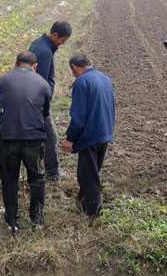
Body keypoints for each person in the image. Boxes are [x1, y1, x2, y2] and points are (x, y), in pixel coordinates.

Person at [0, 51, 51, 233]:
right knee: (36, 179)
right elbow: (45, 113)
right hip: (33, 139)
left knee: (9, 180)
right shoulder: (43, 83)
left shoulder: (2, 81)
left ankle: (12, 220)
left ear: (16, 63)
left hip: (7, 139)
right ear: (35, 66)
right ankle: (36, 220)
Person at [61, 54, 115, 217]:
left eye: (72, 71)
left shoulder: (81, 82)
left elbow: (78, 117)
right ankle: (82, 202)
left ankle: (93, 213)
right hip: (105, 131)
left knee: (87, 176)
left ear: (75, 67)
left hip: (90, 135)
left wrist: (70, 139)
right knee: (92, 171)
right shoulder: (105, 78)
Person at [28, 21, 72, 181]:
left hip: (30, 99)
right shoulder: (45, 52)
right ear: (54, 35)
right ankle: (52, 172)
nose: (62, 44)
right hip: (38, 103)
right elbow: (41, 82)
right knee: (51, 137)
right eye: (62, 40)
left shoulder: (38, 43)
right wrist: (43, 106)